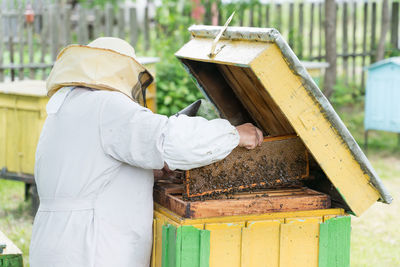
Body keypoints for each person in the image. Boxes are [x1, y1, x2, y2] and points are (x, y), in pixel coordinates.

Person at [29, 37, 263, 267]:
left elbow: (90, 173)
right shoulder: (105, 105)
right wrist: (233, 134)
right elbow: (169, 139)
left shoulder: (67, 106)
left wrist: (145, 173)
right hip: (90, 248)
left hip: (58, 242)